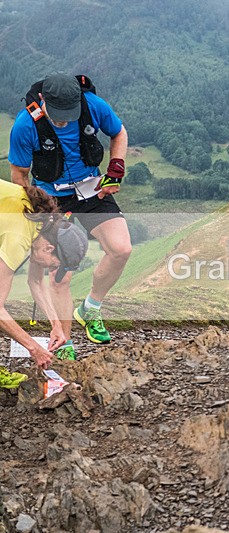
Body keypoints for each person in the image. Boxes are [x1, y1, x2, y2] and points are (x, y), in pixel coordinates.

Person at [9, 73, 131, 349]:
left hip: (92, 189)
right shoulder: (25, 124)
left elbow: (119, 132)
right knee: (59, 274)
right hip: (51, 198)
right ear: (43, 100)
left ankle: (90, 308)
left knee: (121, 249)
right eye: (57, 115)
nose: (63, 121)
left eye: (69, 114)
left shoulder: (93, 105)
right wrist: (36, 214)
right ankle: (65, 344)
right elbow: (19, 175)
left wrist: (115, 171)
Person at [0, 180, 89, 371]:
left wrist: (56, 324)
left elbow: (36, 281)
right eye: (54, 265)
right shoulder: (19, 237)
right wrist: (34, 349)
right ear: (49, 248)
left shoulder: (41, 221)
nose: (50, 269)